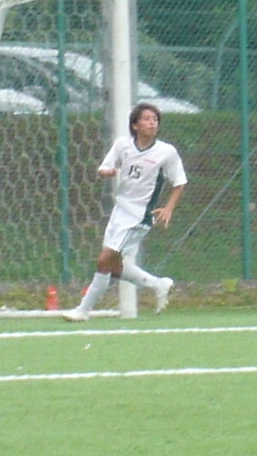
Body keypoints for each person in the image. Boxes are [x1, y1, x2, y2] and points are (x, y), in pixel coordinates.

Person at [72, 102, 187, 318]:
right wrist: (109, 172)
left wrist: (169, 208)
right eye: (146, 119)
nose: (152, 123)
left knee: (104, 259)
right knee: (114, 266)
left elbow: (180, 182)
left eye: (155, 120)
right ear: (135, 125)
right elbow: (104, 168)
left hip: (139, 216)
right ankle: (158, 284)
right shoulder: (123, 145)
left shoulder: (166, 152)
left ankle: (83, 310)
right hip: (119, 211)